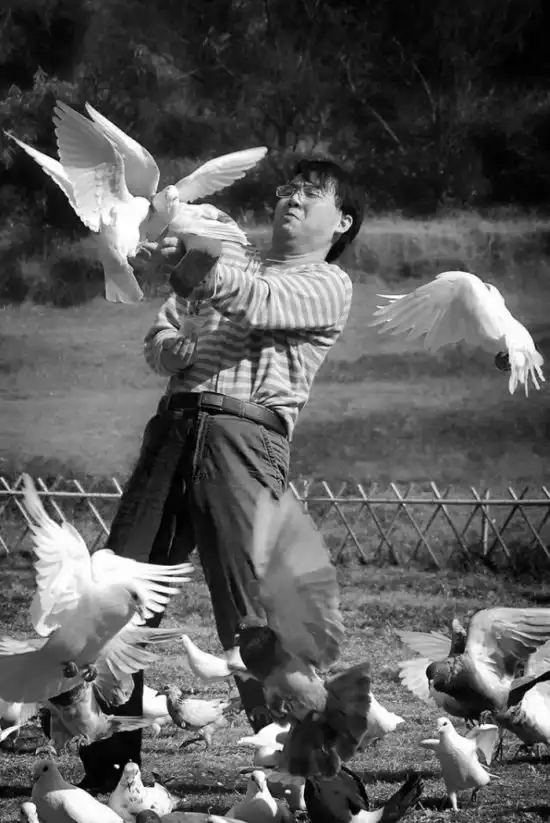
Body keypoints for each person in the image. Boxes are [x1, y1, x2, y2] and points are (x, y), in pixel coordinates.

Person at [77, 156, 365, 789]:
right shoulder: (230, 257)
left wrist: (194, 262)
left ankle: (310, 779)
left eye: (311, 192)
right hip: (174, 427)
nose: (292, 197)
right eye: (288, 188)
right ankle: (108, 778)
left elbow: (258, 300)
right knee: (114, 597)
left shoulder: (327, 283)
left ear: (342, 221)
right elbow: (164, 328)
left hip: (246, 436)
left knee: (253, 617)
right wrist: (172, 340)